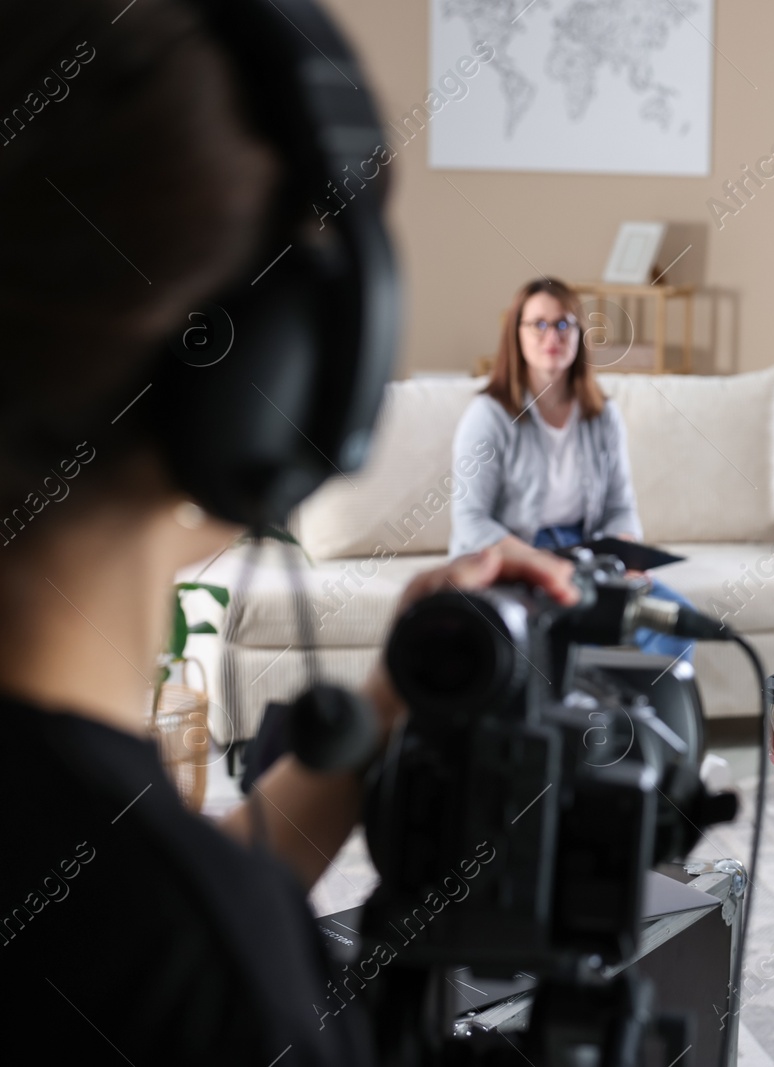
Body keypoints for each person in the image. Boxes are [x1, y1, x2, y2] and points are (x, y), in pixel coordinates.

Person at [0, 2, 579, 1062]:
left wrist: (384, 700)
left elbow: (139, 915)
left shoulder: (140, 909)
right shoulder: (201, 957)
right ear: (273, 371)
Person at [450, 277, 696, 664]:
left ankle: (643, 724)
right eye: (539, 324)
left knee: (674, 626)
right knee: (568, 629)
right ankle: (582, 723)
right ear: (516, 334)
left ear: (580, 334)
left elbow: (620, 506)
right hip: (511, 553)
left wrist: (625, 563)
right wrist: (540, 565)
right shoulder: (489, 415)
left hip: (586, 552)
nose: (553, 335)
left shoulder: (602, 415)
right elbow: (470, 520)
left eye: (564, 323)